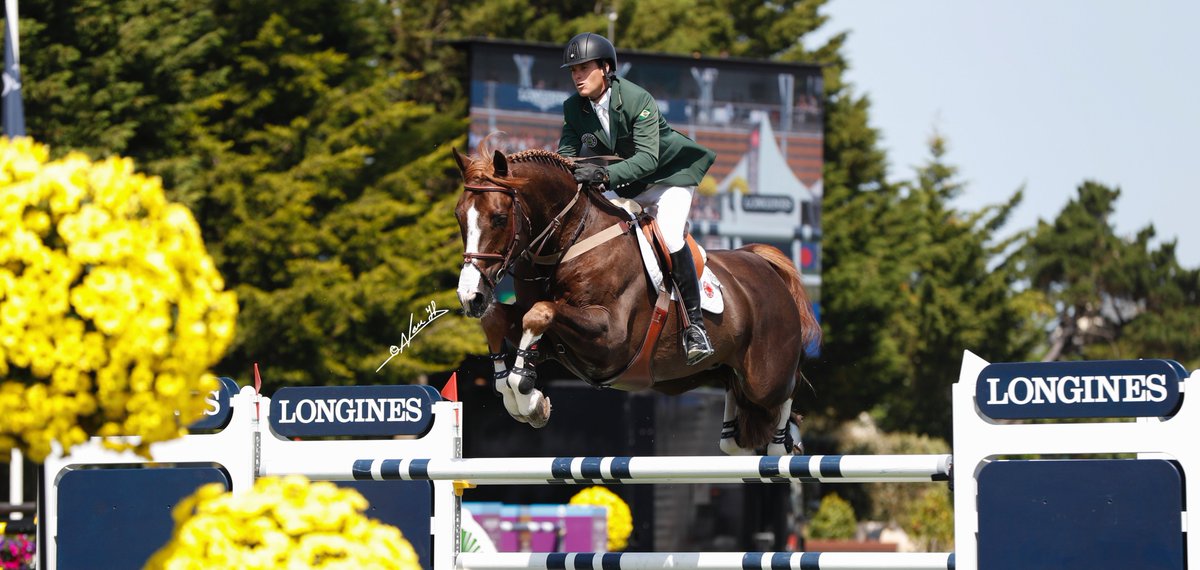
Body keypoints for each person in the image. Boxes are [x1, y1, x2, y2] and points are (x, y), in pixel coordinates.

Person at [558, 32, 717, 366]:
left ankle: (695, 327)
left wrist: (601, 175)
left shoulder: (636, 98)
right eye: (572, 70)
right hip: (627, 185)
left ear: (605, 68)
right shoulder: (573, 108)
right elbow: (566, 158)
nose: (576, 76)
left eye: (584, 68)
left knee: (671, 236)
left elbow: (647, 160)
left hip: (668, 178)